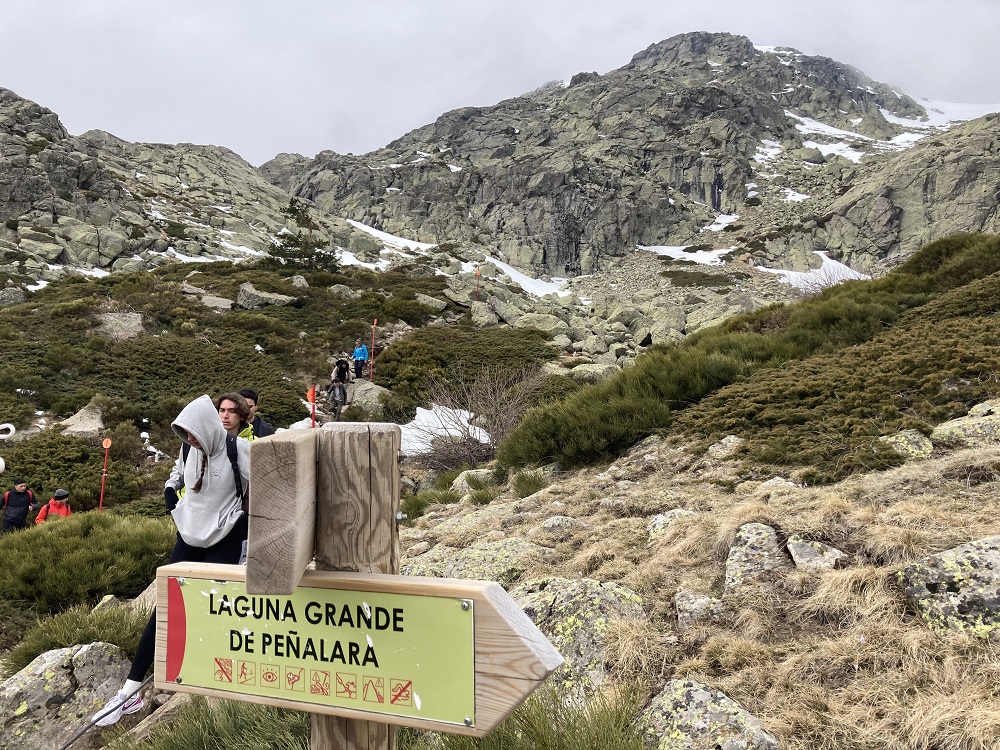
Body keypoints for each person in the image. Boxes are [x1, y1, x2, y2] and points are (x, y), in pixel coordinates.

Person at [94, 394, 250, 727]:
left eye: (193, 432)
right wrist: (169, 489)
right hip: (189, 535)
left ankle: (216, 679)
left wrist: (248, 524)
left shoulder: (240, 450)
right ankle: (130, 691)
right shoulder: (188, 449)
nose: (189, 438)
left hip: (225, 536)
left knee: (215, 607)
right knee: (165, 609)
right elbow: (178, 472)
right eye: (184, 433)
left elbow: (270, 487)